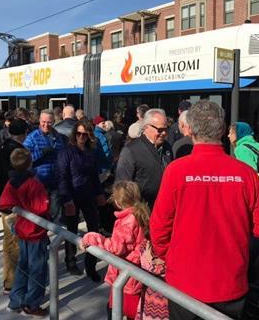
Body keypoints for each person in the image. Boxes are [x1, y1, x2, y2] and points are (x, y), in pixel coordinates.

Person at [150, 100, 259, 319]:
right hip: (230, 282)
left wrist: (170, 256)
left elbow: (159, 226)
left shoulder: (176, 171)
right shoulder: (245, 174)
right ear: (224, 130)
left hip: (184, 282)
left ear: (191, 130)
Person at [81, 180, 149, 320]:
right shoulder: (141, 214)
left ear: (117, 202)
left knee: (118, 311)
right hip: (134, 274)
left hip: (127, 278)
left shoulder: (127, 222)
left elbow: (115, 248)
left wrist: (92, 237)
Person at [0, 148, 50, 317]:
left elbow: (4, 203)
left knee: (23, 267)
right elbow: (42, 207)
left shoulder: (12, 181)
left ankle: (16, 300)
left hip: (21, 230)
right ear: (30, 163)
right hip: (35, 232)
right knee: (38, 269)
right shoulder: (33, 184)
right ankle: (31, 304)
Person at [57, 119, 105, 281]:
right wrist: (67, 199)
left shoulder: (90, 152)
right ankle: (70, 260)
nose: (81, 137)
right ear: (74, 134)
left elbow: (94, 176)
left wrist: (99, 194)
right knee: (71, 229)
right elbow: (62, 177)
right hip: (72, 196)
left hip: (88, 195)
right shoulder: (66, 152)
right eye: (78, 133)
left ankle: (90, 266)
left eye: (85, 134)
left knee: (94, 229)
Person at [0, 119, 28, 295]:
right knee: (15, 244)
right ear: (24, 134)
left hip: (3, 201)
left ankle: (9, 280)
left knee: (8, 242)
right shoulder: (19, 153)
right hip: (15, 205)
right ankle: (12, 283)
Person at [116, 108, 172, 210]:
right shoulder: (131, 150)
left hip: (163, 210)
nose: (164, 133)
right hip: (141, 211)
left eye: (166, 129)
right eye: (160, 130)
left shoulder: (167, 148)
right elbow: (122, 186)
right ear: (146, 127)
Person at [23, 109, 65, 222]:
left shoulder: (57, 136)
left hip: (55, 180)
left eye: (49, 122)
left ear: (54, 121)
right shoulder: (32, 137)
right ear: (39, 121)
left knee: (56, 212)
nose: (46, 125)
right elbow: (24, 159)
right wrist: (41, 152)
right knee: (40, 212)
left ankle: (55, 235)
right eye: (43, 122)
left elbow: (63, 154)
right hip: (39, 181)